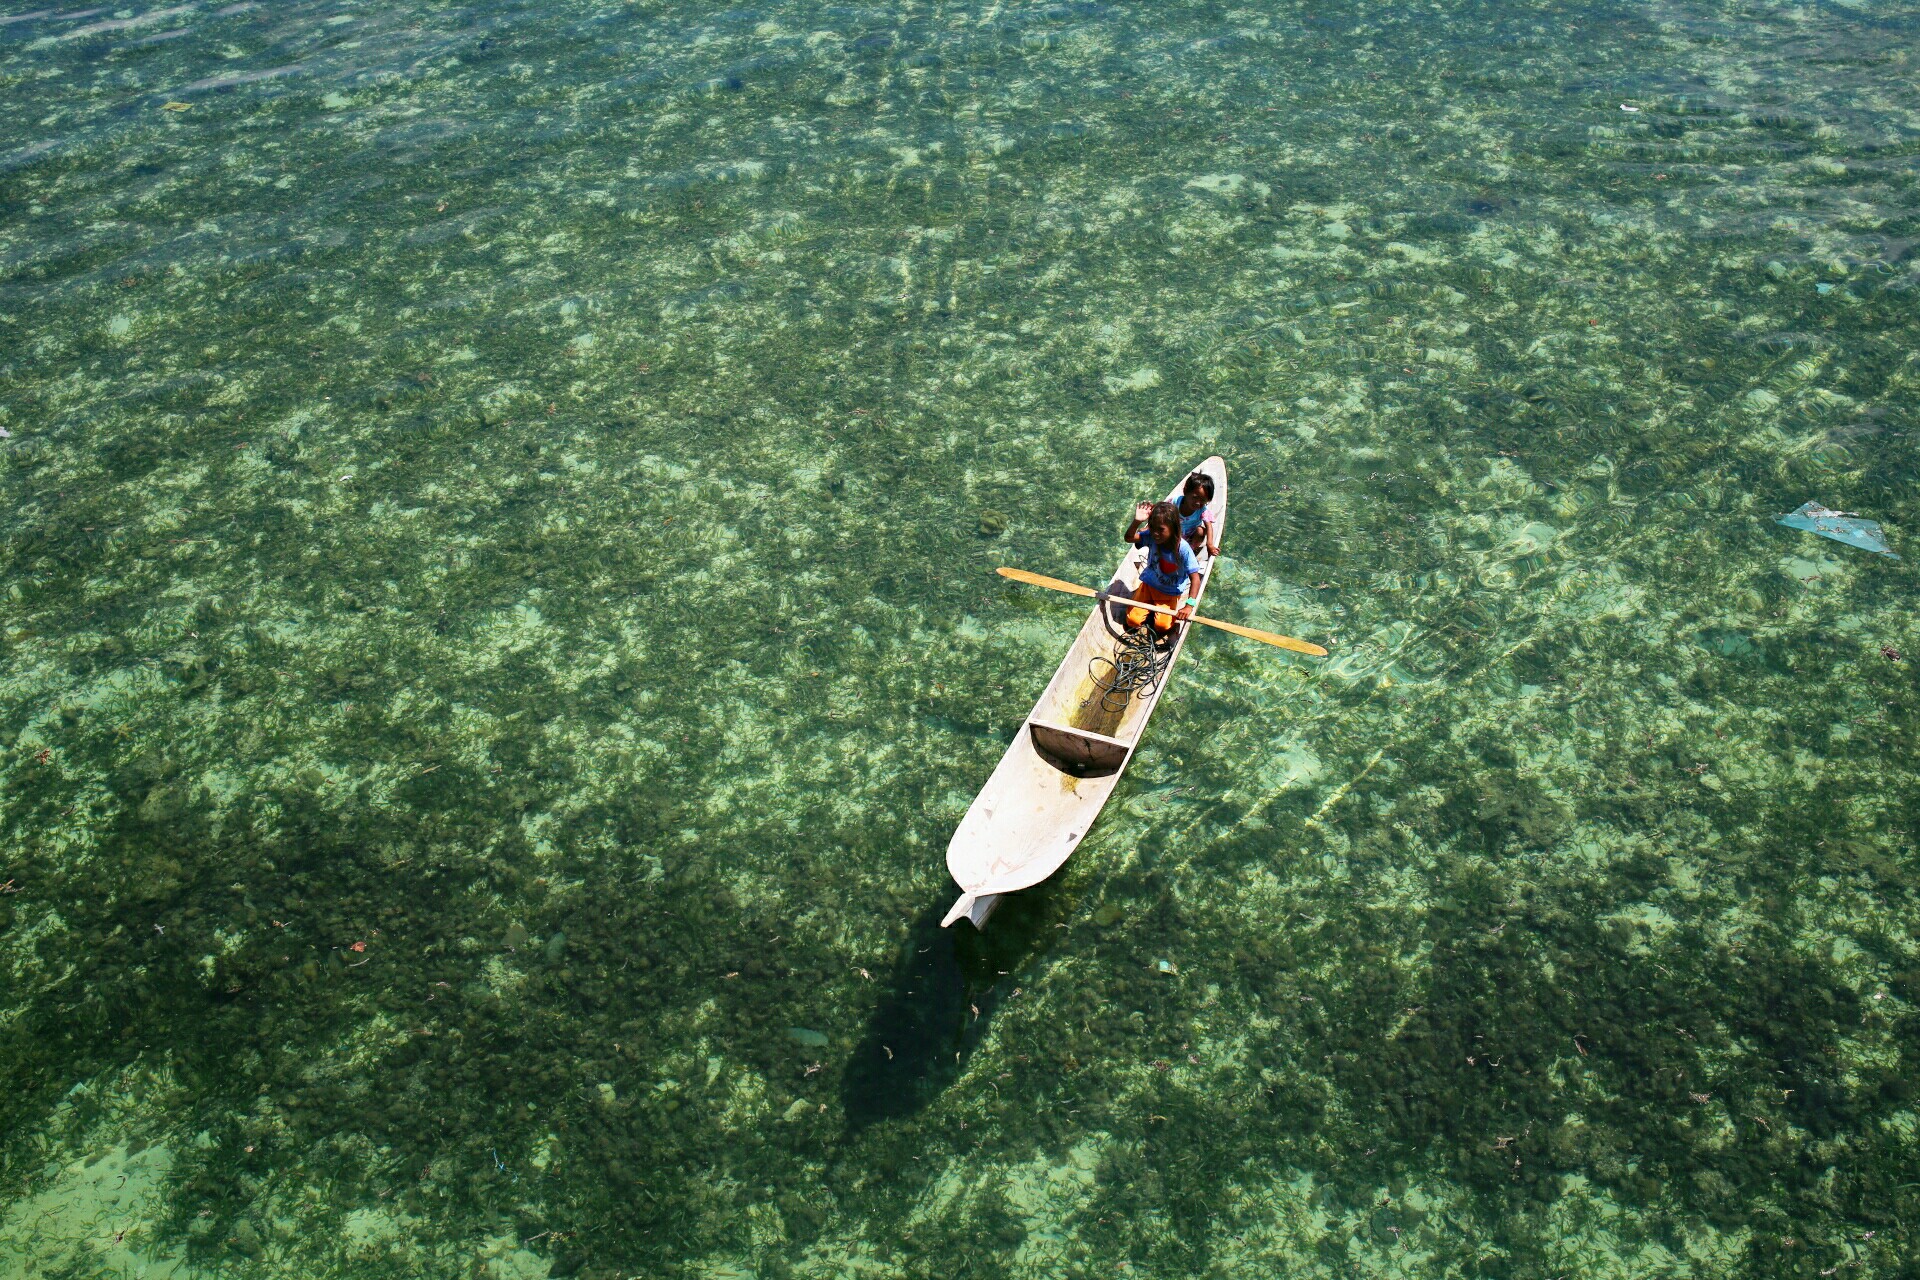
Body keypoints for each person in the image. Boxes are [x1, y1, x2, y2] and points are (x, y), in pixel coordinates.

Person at [1121, 500, 1201, 634]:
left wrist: (1189, 606)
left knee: (1162, 627)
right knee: (1132, 622)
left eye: (1161, 529)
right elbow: (1128, 538)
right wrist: (1136, 521)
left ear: (1173, 527)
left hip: (1169, 592)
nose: (1155, 533)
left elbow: (1195, 579)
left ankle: (1157, 612)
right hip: (1149, 585)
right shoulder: (1150, 536)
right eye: (1152, 528)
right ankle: (1146, 605)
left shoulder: (1183, 549)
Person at [1176, 470, 1219, 557]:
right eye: (1195, 497)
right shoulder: (1175, 502)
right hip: (1175, 534)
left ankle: (1189, 551)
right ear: (1185, 492)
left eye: (1203, 501)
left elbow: (1209, 527)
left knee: (1201, 531)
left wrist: (1209, 544)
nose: (1198, 503)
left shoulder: (1202, 510)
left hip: (1191, 537)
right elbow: (1161, 511)